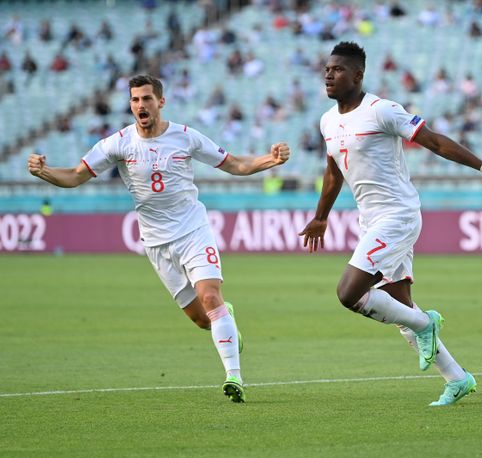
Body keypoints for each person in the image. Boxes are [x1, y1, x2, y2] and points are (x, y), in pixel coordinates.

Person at [27, 75, 290, 403]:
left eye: (147, 99)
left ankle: (234, 377)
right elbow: (76, 176)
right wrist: (44, 172)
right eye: (135, 100)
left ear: (161, 102)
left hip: (194, 231)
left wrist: (271, 160)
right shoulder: (118, 143)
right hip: (156, 243)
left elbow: (234, 164)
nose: (141, 105)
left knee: (210, 297)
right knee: (201, 319)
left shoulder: (185, 137)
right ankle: (227, 317)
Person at [299, 42, 482, 406]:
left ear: (358, 75)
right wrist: (320, 216)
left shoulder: (383, 111)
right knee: (398, 304)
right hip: (371, 220)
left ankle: (426, 322)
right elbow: (333, 172)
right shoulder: (328, 121)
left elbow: (435, 142)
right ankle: (457, 378)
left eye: (338, 70)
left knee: (349, 293)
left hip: (398, 215)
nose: (329, 75)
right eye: (327, 69)